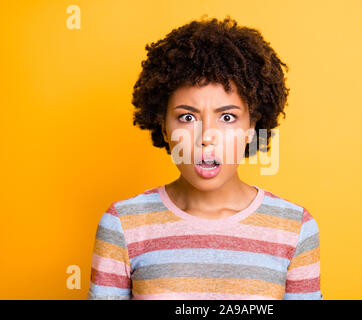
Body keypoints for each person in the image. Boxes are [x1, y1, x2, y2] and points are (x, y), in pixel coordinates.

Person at [87, 15, 323, 300]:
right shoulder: (123, 225)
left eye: (227, 117)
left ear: (251, 127)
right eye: (187, 116)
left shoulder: (295, 228)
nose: (206, 136)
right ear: (163, 125)